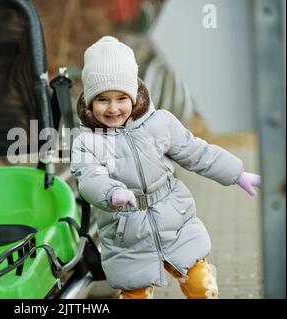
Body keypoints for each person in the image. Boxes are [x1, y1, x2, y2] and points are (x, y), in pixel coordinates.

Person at [70, 36, 261, 299]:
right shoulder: (87, 142)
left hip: (175, 223)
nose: (113, 108)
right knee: (134, 294)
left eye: (121, 98)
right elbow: (89, 177)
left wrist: (236, 172)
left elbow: (197, 153)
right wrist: (111, 192)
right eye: (103, 100)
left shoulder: (160, 124)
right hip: (127, 234)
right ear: (90, 102)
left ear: (134, 97)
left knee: (201, 287)